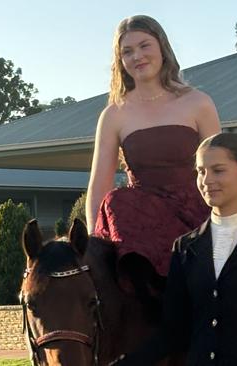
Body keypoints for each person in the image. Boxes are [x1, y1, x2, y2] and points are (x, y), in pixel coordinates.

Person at [111, 133, 237, 366]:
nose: (206, 180)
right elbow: (172, 333)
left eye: (218, 170)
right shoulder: (185, 248)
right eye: (200, 171)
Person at [86, 15, 220, 307]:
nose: (138, 56)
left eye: (144, 45)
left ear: (162, 47)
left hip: (197, 215)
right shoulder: (114, 115)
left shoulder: (198, 102)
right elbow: (99, 187)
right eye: (127, 51)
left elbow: (223, 171)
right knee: (116, 202)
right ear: (120, 60)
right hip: (143, 224)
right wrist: (91, 250)